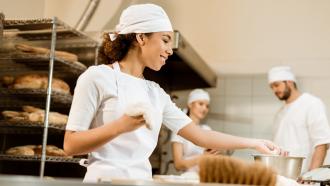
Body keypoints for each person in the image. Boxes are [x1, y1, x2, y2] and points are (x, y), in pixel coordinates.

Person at [63, 3, 283, 183]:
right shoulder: (97, 77)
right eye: (165, 40)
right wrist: (121, 126)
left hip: (141, 182)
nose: (170, 49)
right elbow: (71, 145)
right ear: (141, 38)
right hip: (104, 181)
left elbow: (200, 136)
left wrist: (254, 142)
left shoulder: (155, 93)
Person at [268, 66, 330, 173]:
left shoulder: (311, 104)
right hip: (282, 177)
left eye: (276, 85)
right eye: (272, 87)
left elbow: (321, 143)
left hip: (303, 178)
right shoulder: (280, 113)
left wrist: (310, 177)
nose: (274, 90)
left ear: (290, 82)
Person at [171, 89, 232, 175]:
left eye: (207, 106)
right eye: (200, 104)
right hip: (187, 180)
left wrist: (221, 151)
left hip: (206, 178)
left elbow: (214, 153)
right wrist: (203, 157)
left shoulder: (206, 129)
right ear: (190, 104)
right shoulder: (179, 130)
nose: (204, 108)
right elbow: (178, 165)